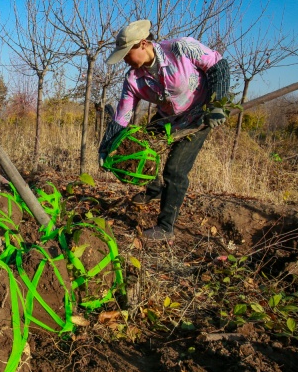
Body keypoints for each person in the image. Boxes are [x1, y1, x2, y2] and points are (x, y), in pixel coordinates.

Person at [98, 19, 230, 241]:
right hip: (168, 118)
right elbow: (122, 117)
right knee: (138, 145)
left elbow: (218, 65)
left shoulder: (181, 48)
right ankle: (154, 189)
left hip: (197, 117)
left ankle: (166, 227)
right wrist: (105, 147)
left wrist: (218, 105)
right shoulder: (133, 79)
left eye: (127, 54)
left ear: (142, 44)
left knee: (175, 171)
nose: (125, 61)